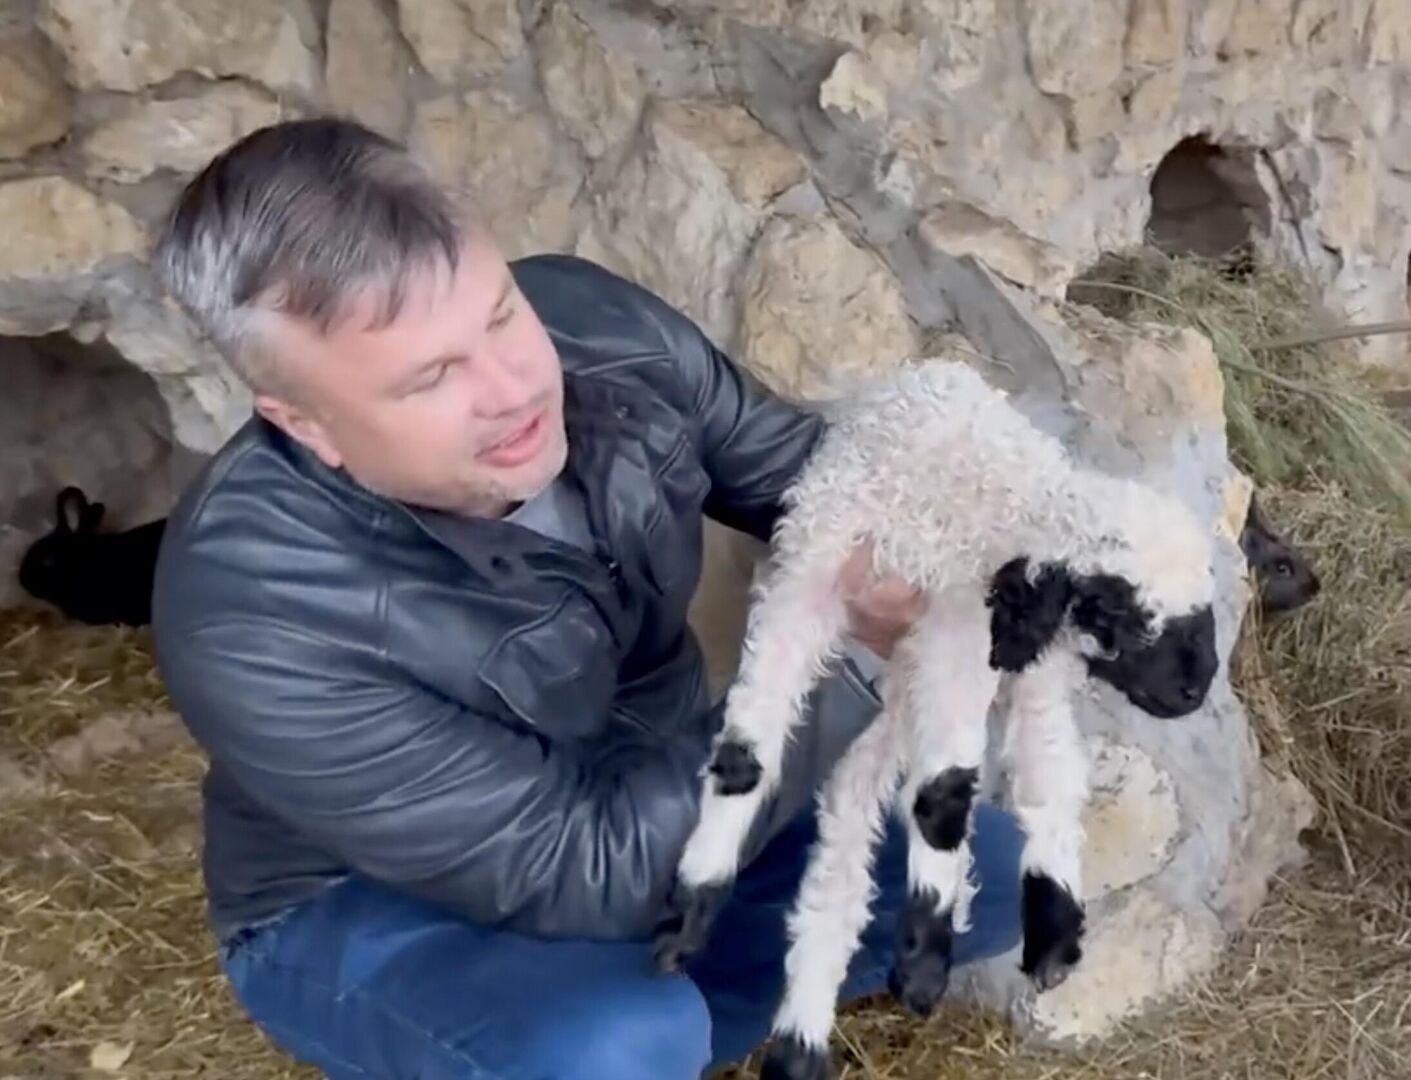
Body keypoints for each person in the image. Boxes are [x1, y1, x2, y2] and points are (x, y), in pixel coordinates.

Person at [145, 116, 1027, 1079]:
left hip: (654, 790)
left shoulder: (592, 326)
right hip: (372, 900)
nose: (516, 386)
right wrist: (841, 646)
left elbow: (815, 480)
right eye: (433, 377)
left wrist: (1019, 537)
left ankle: (666, 1015)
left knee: (986, 870)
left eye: (496, 315)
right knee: (610, 1047)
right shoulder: (249, 613)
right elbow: (582, 866)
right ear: (305, 423)